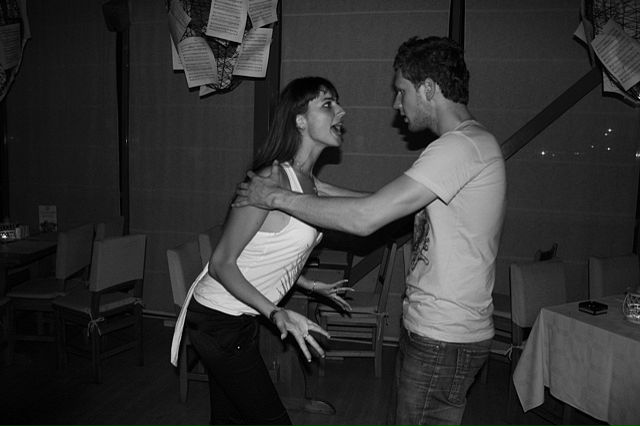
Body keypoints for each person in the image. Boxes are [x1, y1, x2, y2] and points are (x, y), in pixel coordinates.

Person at [234, 36, 507, 426]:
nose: (397, 104)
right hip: (441, 333)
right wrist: (314, 186)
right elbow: (387, 205)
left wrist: (275, 197)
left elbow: (366, 218)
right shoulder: (467, 145)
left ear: (429, 88)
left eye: (402, 91)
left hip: (444, 336)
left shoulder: (459, 147)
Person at [170, 76, 357, 426]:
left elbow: (372, 206)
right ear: (299, 120)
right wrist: (276, 313)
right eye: (328, 104)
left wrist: (307, 284)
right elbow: (221, 263)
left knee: (227, 419)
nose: (341, 111)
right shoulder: (270, 180)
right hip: (217, 319)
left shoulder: (310, 184)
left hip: (236, 319)